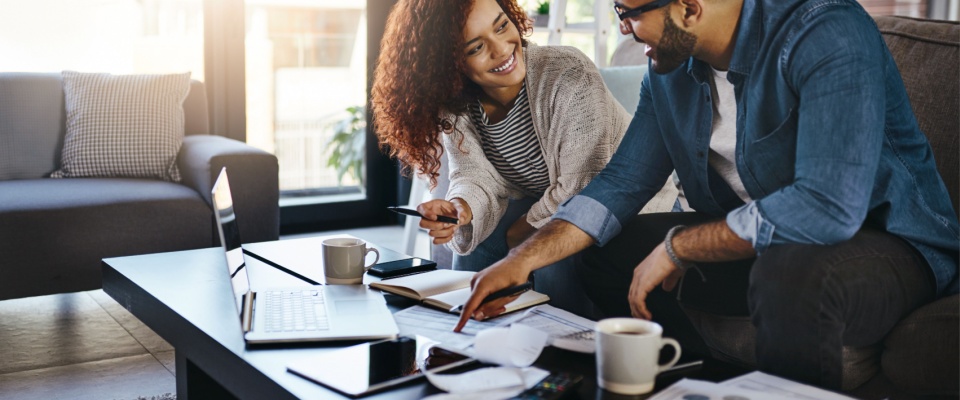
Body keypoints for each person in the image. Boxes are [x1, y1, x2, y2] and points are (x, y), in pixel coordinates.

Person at [455, 0, 959, 391]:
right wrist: (521, 258)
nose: (625, 30)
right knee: (611, 248)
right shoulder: (671, 67)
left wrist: (681, 247)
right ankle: (687, 382)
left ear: (689, 7)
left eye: (627, 15)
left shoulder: (826, 32)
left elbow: (827, 207)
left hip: (886, 245)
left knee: (790, 270)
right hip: (761, 245)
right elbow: (621, 183)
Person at [370, 0, 677, 315]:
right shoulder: (458, 106)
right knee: (479, 241)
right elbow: (475, 176)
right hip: (550, 200)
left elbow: (583, 186)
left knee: (551, 260)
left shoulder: (568, 73)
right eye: (476, 48)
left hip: (625, 205)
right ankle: (469, 324)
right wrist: (459, 209)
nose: (502, 49)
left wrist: (523, 231)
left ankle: (562, 343)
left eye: (502, 26)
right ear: (450, 66)